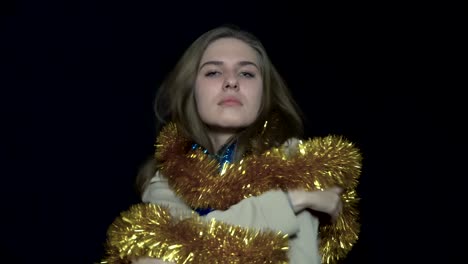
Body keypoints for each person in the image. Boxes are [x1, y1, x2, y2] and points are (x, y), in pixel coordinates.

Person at [100, 25, 362, 264]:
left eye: (247, 73)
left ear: (264, 92)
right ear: (191, 90)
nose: (231, 81)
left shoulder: (298, 164)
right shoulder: (165, 180)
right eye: (213, 72)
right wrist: (291, 201)